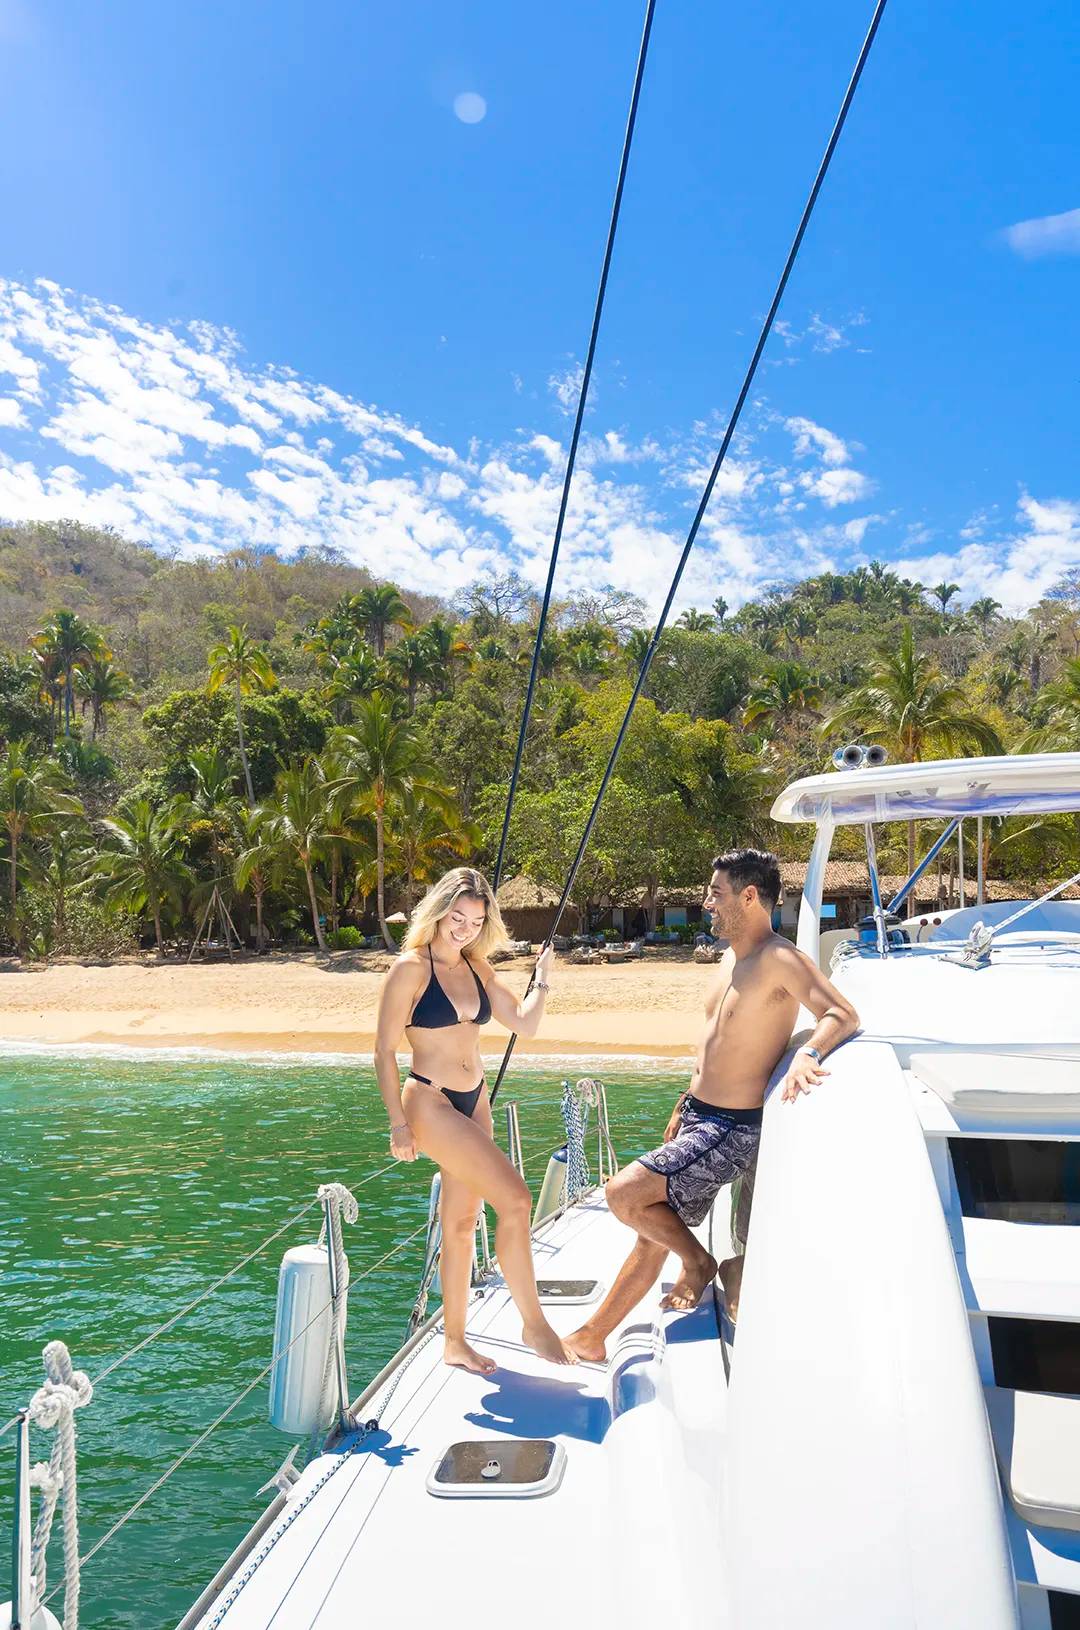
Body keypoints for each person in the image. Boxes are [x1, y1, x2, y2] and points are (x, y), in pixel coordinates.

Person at [566, 848, 859, 1361]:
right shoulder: (730, 958)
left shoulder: (778, 958)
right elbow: (715, 1042)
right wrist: (685, 1098)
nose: (707, 903)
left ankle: (700, 1263)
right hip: (699, 1115)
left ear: (749, 896)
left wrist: (808, 1053)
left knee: (624, 1194)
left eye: (715, 894)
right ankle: (593, 1337)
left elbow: (842, 1013)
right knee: (654, 1228)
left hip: (731, 1127)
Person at [375, 866, 573, 1373]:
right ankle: (534, 1324)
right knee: (516, 1198)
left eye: (475, 921)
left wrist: (543, 978)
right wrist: (398, 1123)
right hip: (431, 1101)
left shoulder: (478, 967)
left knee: (462, 1224)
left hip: (476, 1098)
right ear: (439, 911)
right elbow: (382, 1051)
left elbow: (524, 1025)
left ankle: (455, 1342)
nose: (463, 929)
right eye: (456, 917)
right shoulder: (411, 969)